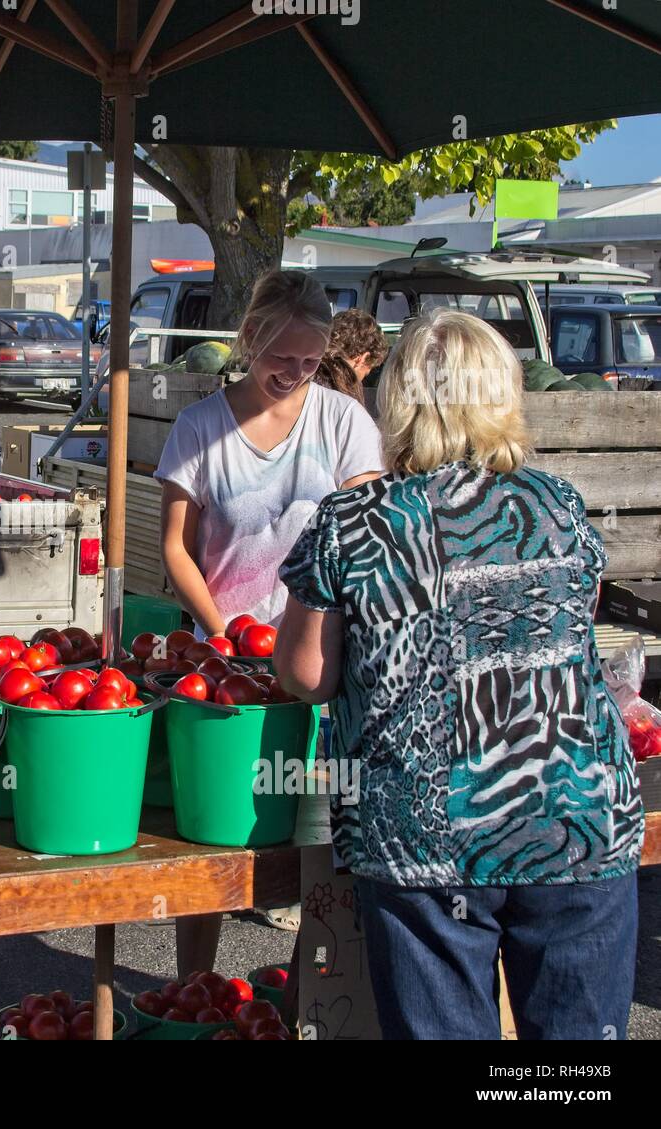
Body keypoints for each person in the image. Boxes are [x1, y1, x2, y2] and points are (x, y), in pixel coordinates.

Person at [274, 308, 642, 1039]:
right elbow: (579, 613)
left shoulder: (355, 521)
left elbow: (306, 672)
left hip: (424, 836)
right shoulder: (561, 506)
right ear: (505, 394)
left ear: (397, 401)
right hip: (577, 819)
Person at [155, 269, 384, 940]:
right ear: (249, 338)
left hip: (320, 667)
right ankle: (191, 992)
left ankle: (301, 1003)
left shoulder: (345, 421)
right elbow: (175, 547)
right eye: (283, 358)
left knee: (311, 847)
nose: (295, 372)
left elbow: (366, 533)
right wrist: (221, 631)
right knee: (209, 843)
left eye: (310, 361)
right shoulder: (199, 425)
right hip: (221, 664)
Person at [311, 309, 389, 406]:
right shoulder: (344, 398)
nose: (361, 381)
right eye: (365, 374)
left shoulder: (305, 371)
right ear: (362, 359)